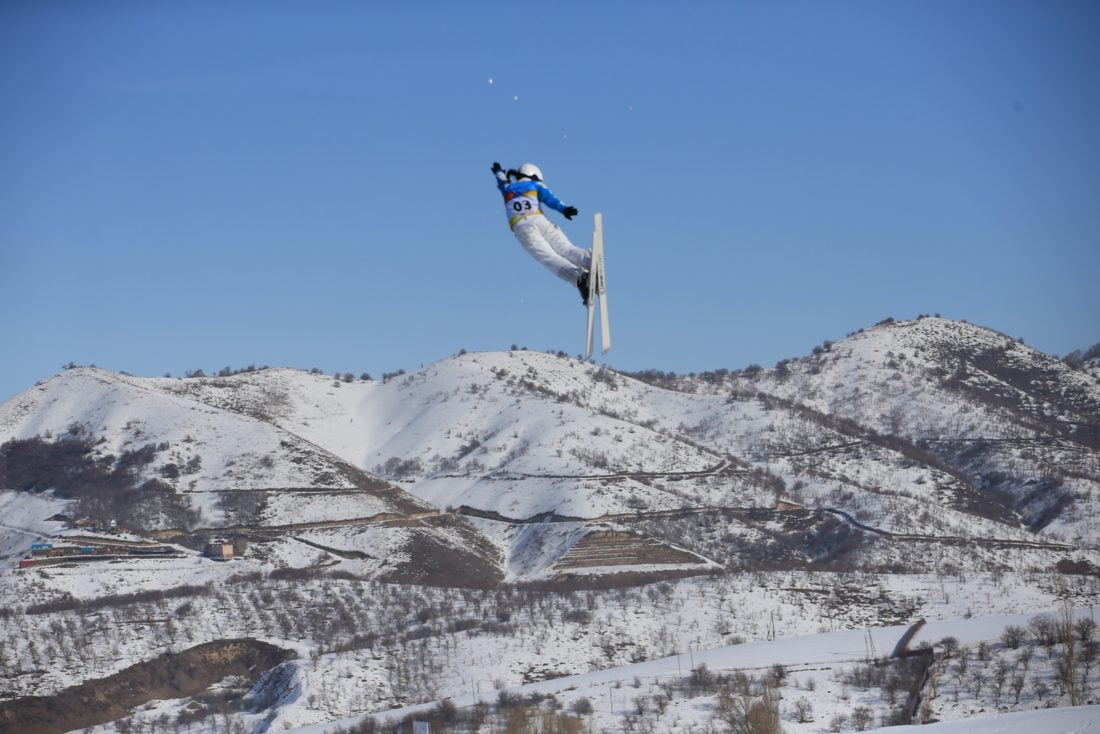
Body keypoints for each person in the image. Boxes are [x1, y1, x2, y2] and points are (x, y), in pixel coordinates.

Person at [491, 162, 591, 304]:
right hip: (539, 220)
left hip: (522, 227)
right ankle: (587, 259)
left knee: (548, 257)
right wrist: (563, 209)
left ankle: (578, 278)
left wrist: (498, 172)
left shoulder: (508, 189)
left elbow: (503, 182)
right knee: (564, 248)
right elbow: (549, 197)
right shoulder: (534, 185)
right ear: (534, 176)